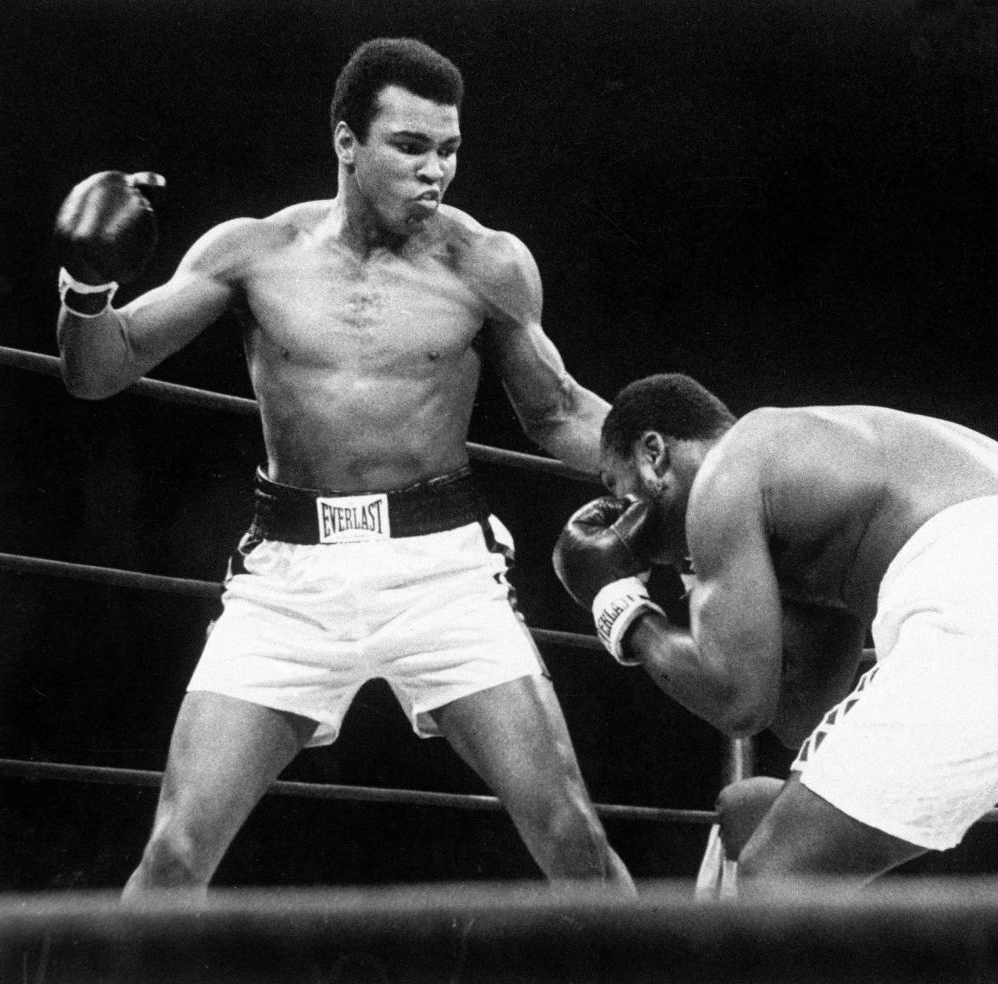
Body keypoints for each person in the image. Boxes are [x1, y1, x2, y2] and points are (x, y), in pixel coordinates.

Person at [54, 37, 633, 895]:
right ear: (346, 143)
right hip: (290, 581)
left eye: (449, 150)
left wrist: (695, 472)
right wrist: (85, 284)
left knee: (572, 834)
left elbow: (558, 411)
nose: (434, 172)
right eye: (409, 147)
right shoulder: (254, 252)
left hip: (442, 573)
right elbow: (98, 371)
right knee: (173, 857)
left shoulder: (487, 264)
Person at [552, 372, 998, 890]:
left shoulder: (730, 466)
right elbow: (799, 717)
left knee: (778, 878)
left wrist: (617, 603)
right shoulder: (817, 481)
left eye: (620, 490)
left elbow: (738, 702)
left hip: (993, 596)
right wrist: (711, 585)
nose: (628, 525)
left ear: (653, 454)